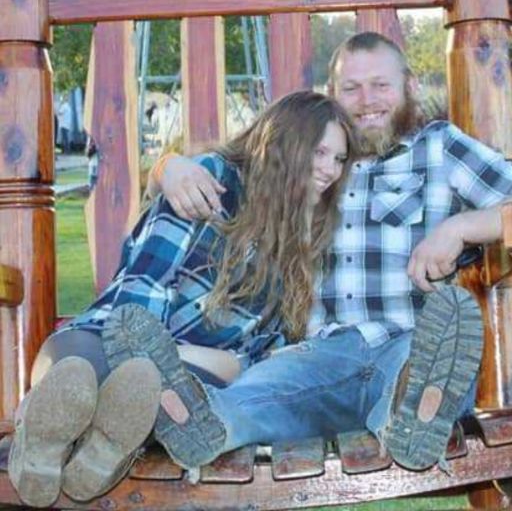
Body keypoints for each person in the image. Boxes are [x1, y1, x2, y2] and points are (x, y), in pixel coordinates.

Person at [140, 31, 512, 473]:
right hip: (320, 354)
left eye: (381, 85)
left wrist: (461, 227)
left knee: (417, 370)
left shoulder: (439, 149)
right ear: (332, 95)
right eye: (350, 88)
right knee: (256, 395)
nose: (366, 100)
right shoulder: (316, 162)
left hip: (410, 340)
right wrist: (169, 165)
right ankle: (200, 424)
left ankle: (413, 413)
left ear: (410, 86)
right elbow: (240, 160)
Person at [9, 90, 357, 507]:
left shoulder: (313, 232)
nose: (330, 170)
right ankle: (82, 444)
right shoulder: (213, 182)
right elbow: (146, 282)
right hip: (115, 335)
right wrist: (147, 353)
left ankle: (61, 447)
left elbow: (271, 351)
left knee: (162, 396)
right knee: (77, 367)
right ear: (285, 142)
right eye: (320, 152)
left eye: (339, 159)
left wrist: (206, 363)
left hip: (194, 376)